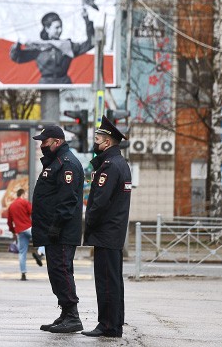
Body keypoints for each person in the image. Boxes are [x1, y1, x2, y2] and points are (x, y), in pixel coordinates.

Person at [31, 125, 85, 333]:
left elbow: (67, 200)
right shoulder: (56, 162)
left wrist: (55, 226)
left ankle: (72, 316)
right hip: (53, 230)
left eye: (45, 142)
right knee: (56, 272)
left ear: (57, 142)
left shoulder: (67, 164)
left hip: (61, 231)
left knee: (61, 271)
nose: (42, 145)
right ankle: (65, 313)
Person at [82, 115, 131, 338]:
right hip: (113, 232)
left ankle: (108, 325)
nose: (95, 141)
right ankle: (114, 323)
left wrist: (88, 222)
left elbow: (100, 202)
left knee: (106, 281)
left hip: (106, 232)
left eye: (98, 138)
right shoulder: (120, 164)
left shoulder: (109, 166)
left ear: (108, 142)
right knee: (113, 279)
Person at [9, 9, 94, 84]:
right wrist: (18, 44)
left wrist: (87, 20)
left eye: (61, 27)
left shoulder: (67, 45)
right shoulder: (38, 47)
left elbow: (91, 43)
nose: (60, 30)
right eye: (57, 28)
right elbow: (17, 58)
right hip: (46, 86)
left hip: (64, 86)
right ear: (47, 29)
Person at [7, 188, 43, 281]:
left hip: (19, 231)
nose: (27, 196)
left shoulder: (11, 206)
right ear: (22, 195)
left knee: (22, 252)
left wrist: (13, 231)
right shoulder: (25, 203)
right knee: (44, 238)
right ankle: (39, 253)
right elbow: (33, 213)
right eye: (26, 194)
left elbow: (9, 222)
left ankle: (23, 274)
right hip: (28, 227)